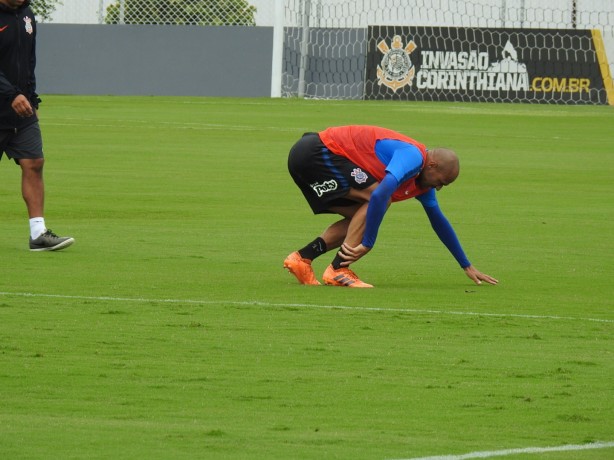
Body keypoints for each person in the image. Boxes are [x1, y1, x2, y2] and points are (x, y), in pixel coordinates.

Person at [283, 125, 498, 288]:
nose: (439, 188)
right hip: (318, 152)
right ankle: (339, 269)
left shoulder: (422, 183)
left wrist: (466, 264)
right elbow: (380, 195)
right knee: (379, 201)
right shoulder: (415, 157)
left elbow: (438, 221)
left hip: (308, 157)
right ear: (431, 165)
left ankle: (302, 258)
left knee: (362, 216)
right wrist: (368, 243)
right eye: (441, 181)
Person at [0, 0, 74, 251]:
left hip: (21, 107)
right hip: (8, 100)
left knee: (34, 163)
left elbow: (28, 60)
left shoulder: (27, 14)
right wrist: (11, 94)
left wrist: (32, 97)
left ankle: (38, 233)